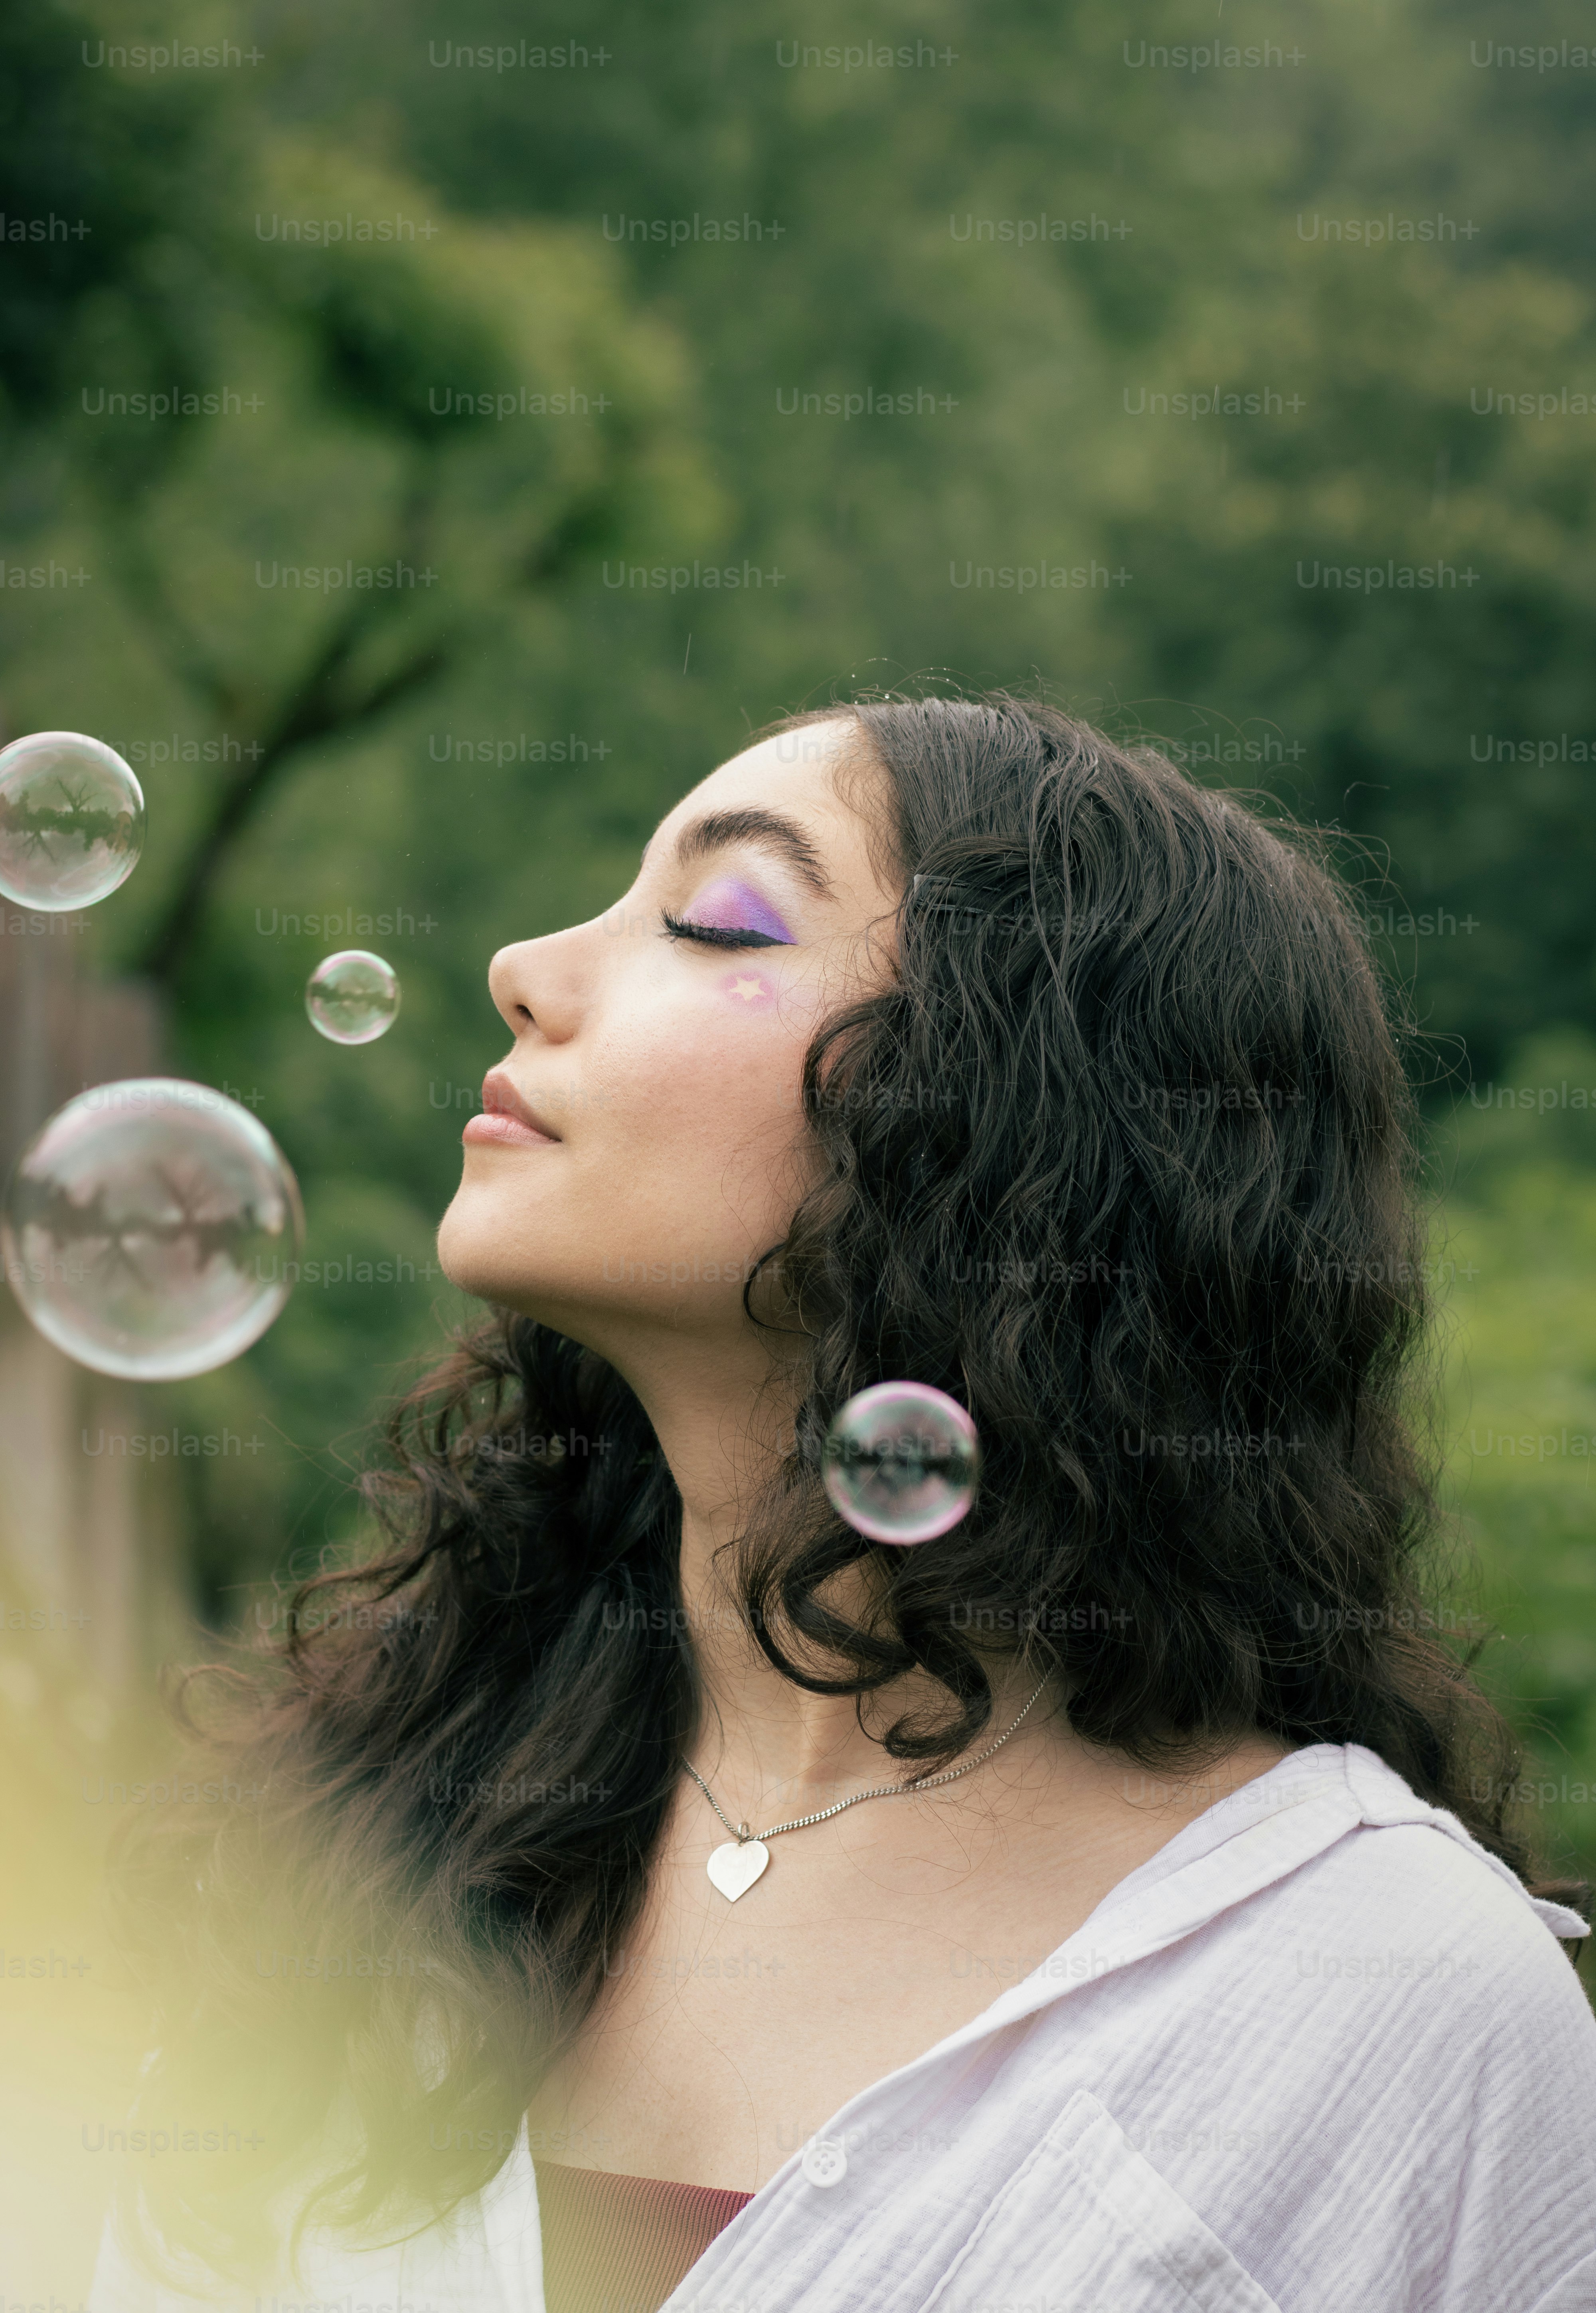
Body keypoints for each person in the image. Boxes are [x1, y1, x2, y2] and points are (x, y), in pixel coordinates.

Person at [94, 695, 1596, 2313]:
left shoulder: (1385, 1997)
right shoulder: (372, 1846)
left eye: (716, 916)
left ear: (1005, 1123)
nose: (524, 966)